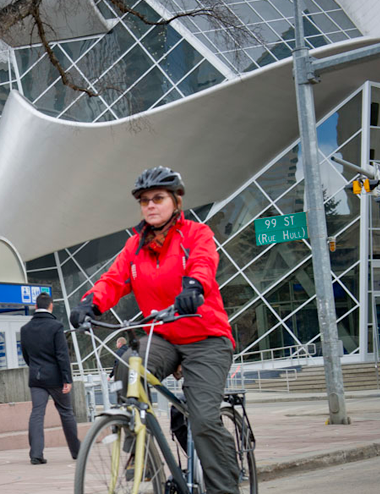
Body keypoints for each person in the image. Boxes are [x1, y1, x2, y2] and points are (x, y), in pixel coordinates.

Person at [69, 166, 239, 494]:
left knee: (202, 419)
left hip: (206, 337)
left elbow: (203, 263)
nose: (150, 205)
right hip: (162, 336)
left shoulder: (196, 234)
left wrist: (194, 286)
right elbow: (113, 281)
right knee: (126, 364)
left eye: (158, 198)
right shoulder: (135, 247)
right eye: (144, 200)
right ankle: (146, 462)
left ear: (176, 201)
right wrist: (89, 304)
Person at [20, 292, 81, 465]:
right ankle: (76, 451)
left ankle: (36, 454)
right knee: (66, 412)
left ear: (35, 306)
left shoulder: (25, 329)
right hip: (55, 378)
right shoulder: (56, 326)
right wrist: (67, 379)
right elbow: (62, 355)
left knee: (37, 413)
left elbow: (26, 355)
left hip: (36, 378)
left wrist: (35, 368)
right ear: (51, 306)